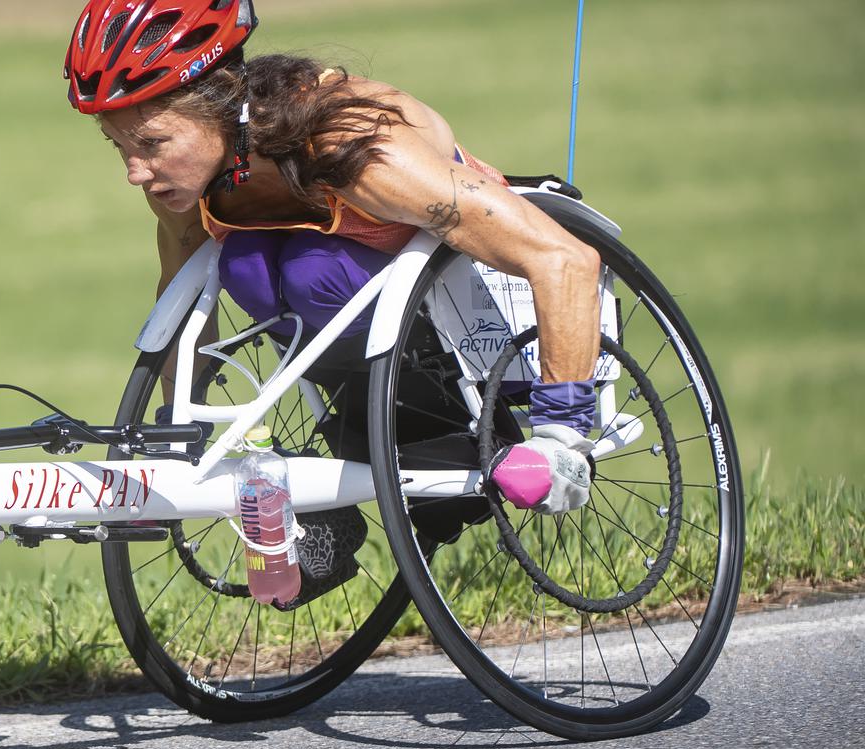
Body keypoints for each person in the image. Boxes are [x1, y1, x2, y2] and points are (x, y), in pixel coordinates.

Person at [63, 0, 600, 517]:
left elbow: (563, 258)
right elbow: (180, 316)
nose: (135, 171)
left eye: (152, 143)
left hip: (472, 323)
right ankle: (333, 492)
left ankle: (437, 426)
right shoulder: (184, 181)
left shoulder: (352, 142)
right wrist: (179, 434)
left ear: (221, 104)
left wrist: (562, 435)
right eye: (120, 147)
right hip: (355, 348)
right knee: (247, 262)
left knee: (312, 271)